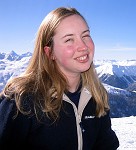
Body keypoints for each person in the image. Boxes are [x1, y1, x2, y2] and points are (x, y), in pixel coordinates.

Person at [0, 7, 119, 150]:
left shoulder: (97, 95)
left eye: (85, 35)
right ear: (49, 52)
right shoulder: (21, 100)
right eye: (69, 39)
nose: (83, 46)